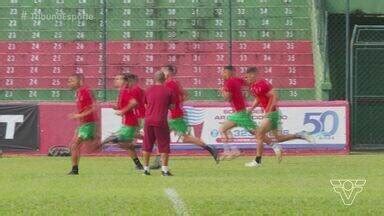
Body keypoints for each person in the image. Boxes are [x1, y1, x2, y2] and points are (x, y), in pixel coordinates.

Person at [245, 67, 314, 167]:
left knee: (259, 133)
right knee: (278, 138)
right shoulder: (252, 87)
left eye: (247, 77)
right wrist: (251, 108)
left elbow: (274, 96)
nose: (246, 79)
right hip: (270, 113)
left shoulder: (263, 84)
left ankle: (257, 161)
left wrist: (268, 110)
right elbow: (258, 98)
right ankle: (300, 135)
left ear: (253, 75)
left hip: (272, 113)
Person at [219, 66, 282, 161]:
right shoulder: (237, 80)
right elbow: (248, 83)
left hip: (240, 113)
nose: (222, 74)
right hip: (239, 113)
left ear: (229, 72)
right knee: (224, 128)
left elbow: (227, 98)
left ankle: (274, 146)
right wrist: (247, 92)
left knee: (256, 133)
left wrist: (223, 91)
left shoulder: (228, 83)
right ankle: (232, 150)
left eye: (223, 72)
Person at [161, 65, 219, 163]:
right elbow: (186, 95)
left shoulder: (167, 84)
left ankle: (159, 162)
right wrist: (178, 104)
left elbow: (166, 100)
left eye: (162, 71)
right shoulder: (176, 83)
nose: (161, 73)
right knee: (182, 138)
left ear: (168, 72)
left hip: (174, 115)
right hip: (177, 113)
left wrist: (172, 106)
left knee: (164, 137)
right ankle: (209, 148)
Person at [102, 74, 144, 170]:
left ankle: (143, 147)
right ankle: (139, 164)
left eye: (118, 79)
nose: (115, 80)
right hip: (128, 120)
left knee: (122, 142)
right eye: (115, 78)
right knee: (126, 142)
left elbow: (133, 103)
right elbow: (126, 104)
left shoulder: (126, 91)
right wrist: (116, 107)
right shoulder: (122, 91)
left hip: (131, 120)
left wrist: (122, 111)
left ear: (125, 81)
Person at [142, 71, 174, 176]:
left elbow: (146, 104)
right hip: (161, 120)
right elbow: (172, 106)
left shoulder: (148, 90)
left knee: (147, 145)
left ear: (154, 79)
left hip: (148, 120)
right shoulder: (168, 91)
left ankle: (146, 169)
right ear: (164, 79)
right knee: (163, 145)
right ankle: (164, 170)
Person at [67, 74, 98, 175]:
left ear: (79, 81)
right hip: (83, 124)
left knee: (75, 145)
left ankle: (74, 170)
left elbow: (93, 107)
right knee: (75, 146)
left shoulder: (84, 91)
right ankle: (74, 169)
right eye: (69, 81)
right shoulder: (79, 92)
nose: (69, 83)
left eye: (71, 81)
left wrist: (78, 116)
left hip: (88, 123)